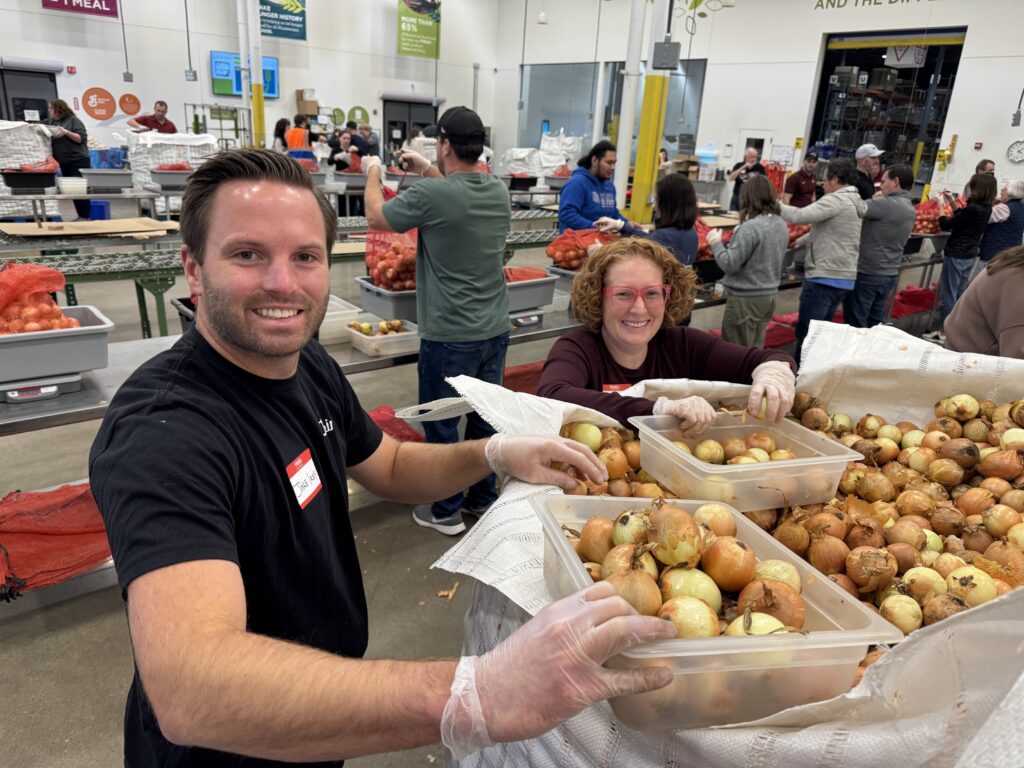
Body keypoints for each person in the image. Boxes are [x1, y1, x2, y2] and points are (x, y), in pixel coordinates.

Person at [89, 148, 673, 767]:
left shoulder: (305, 364)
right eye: (247, 254)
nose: (283, 283)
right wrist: (478, 693)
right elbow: (193, 689)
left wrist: (495, 452)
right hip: (226, 751)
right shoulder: (166, 431)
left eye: (305, 257)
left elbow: (388, 465)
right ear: (193, 268)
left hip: (320, 713)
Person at [364, 107, 512, 535]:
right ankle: (481, 499)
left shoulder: (434, 196)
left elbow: (376, 216)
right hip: (494, 328)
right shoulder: (497, 190)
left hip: (450, 334)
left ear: (445, 145)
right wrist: (426, 168)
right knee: (483, 418)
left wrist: (373, 171)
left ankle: (445, 509)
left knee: (442, 421)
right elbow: (454, 195)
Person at [537, 238, 796, 431]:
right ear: (598, 297)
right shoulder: (577, 348)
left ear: (667, 296)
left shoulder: (683, 344)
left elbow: (770, 359)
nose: (639, 308)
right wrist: (658, 408)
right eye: (623, 294)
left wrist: (773, 373)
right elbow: (552, 395)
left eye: (652, 293)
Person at [779, 158, 867, 367]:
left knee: (808, 334)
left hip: (824, 277)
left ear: (835, 180)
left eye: (825, 179)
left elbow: (799, 215)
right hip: (843, 277)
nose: (823, 184)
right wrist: (797, 242)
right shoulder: (855, 201)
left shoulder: (836, 200)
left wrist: (772, 204)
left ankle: (800, 375)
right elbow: (829, 231)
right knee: (820, 334)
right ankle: (814, 372)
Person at [707, 175, 790, 347]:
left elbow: (729, 264)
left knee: (736, 353)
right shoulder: (780, 223)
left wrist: (715, 243)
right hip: (768, 296)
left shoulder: (751, 228)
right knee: (755, 349)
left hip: (746, 300)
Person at [843, 164, 917, 328]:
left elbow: (854, 207)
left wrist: (845, 190)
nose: (881, 186)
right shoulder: (910, 208)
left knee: (856, 323)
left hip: (868, 272)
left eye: (883, 182)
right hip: (889, 273)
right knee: (875, 322)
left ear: (895, 182)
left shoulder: (884, 204)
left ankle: (857, 345)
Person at [930, 173, 998, 334]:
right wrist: (951, 201)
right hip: (969, 255)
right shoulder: (986, 209)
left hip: (956, 254)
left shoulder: (973, 209)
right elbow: (962, 217)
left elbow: (946, 224)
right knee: (960, 293)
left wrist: (940, 205)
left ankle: (944, 331)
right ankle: (957, 329)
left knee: (948, 294)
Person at [600, 173, 699, 266]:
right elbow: (650, 239)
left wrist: (604, 252)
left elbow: (649, 243)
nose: (654, 206)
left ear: (667, 204)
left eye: (657, 199)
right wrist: (621, 226)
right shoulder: (691, 232)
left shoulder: (664, 236)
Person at [944, 245, 1024, 358]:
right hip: (966, 362)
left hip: (973, 357)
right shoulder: (1018, 279)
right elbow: (1016, 358)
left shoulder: (1016, 265)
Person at [558, 140, 639, 234]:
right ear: (594, 161)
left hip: (602, 239)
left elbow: (613, 213)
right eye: (609, 163)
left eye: (614, 163)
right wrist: (596, 228)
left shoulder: (609, 187)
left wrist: (626, 223)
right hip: (576, 240)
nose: (613, 167)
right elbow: (567, 214)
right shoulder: (576, 184)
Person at [42, 98, 91, 220]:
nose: (49, 111)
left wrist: (66, 132)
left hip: (78, 160)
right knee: (72, 190)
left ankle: (84, 216)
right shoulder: (51, 121)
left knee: (79, 189)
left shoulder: (73, 121)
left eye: (52, 108)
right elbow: (38, 126)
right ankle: (81, 215)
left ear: (59, 109)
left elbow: (80, 139)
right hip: (64, 162)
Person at [974, 179, 1024, 278]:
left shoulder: (1004, 208)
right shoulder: (1021, 208)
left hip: (993, 254)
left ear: (1009, 192)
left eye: (1003, 190)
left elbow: (980, 218)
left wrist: (987, 202)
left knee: (980, 282)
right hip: (1009, 254)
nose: (1001, 193)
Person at [727, 147, 766, 212]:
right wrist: (744, 167)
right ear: (746, 157)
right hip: (738, 196)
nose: (754, 159)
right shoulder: (738, 165)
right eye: (751, 157)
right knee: (733, 214)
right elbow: (731, 178)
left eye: (755, 157)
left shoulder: (759, 167)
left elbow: (763, 183)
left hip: (753, 197)